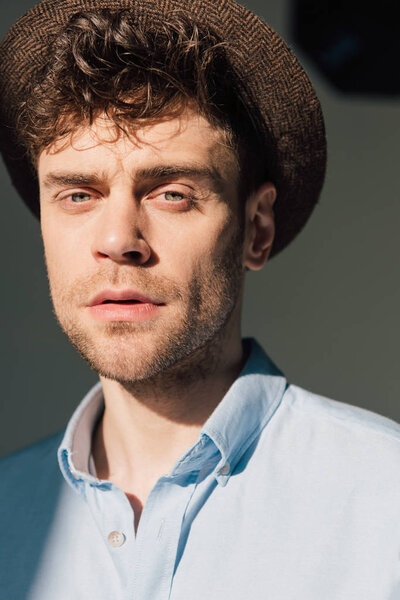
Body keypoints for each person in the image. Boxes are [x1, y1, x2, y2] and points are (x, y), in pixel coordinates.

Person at [0, 1, 399, 599]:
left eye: (172, 193)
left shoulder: (384, 500)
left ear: (256, 230)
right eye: (79, 195)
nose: (117, 241)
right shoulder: (8, 514)